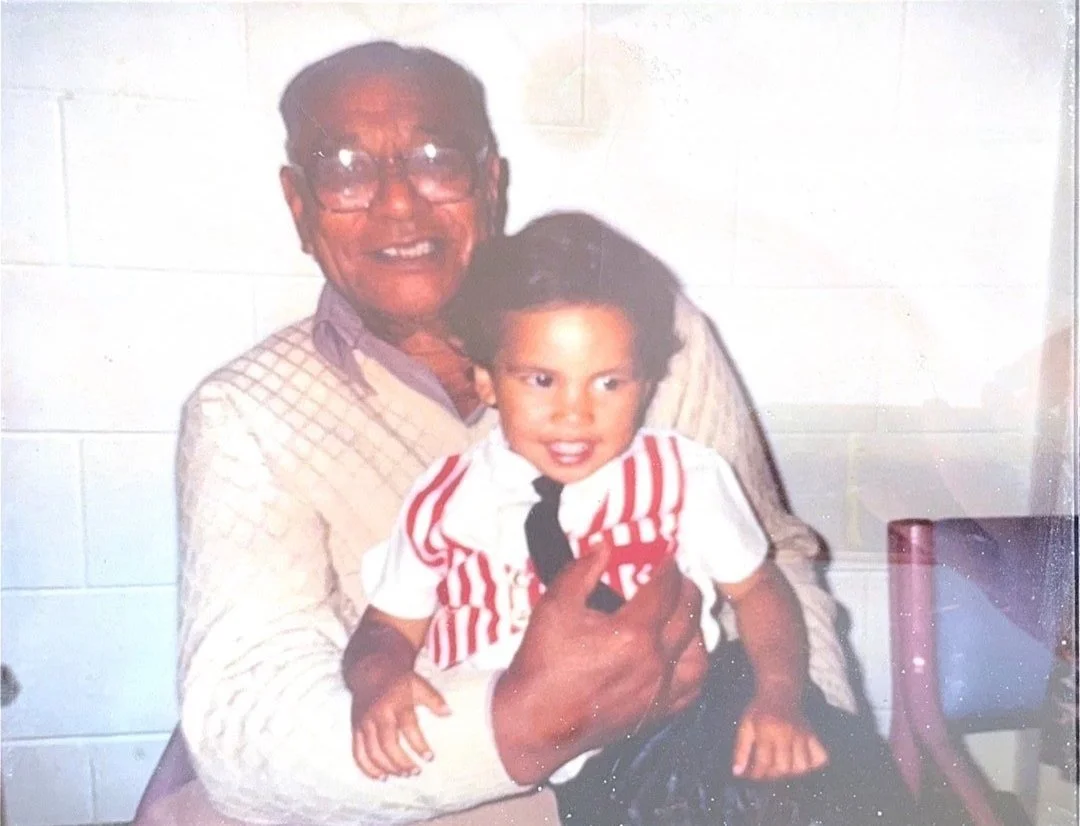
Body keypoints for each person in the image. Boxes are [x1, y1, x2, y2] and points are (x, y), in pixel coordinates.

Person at [135, 40, 888, 826]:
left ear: (490, 183)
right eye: (347, 168)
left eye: (435, 157)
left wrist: (800, 737)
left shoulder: (649, 333)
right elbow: (250, 714)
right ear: (299, 206)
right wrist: (517, 727)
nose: (397, 203)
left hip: (693, 756)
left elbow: (774, 567)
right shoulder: (246, 414)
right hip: (441, 789)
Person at [345, 211, 832, 821]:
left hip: (667, 735)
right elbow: (385, 627)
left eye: (608, 383)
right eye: (543, 380)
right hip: (505, 765)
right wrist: (376, 680)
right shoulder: (443, 500)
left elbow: (761, 591)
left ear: (648, 383)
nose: (574, 414)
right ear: (487, 380)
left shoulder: (685, 478)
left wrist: (779, 697)